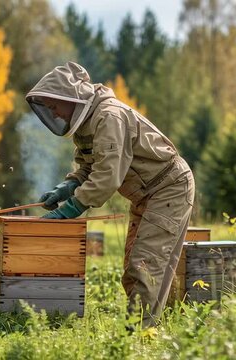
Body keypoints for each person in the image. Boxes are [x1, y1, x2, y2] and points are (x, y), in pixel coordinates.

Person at [26, 61, 195, 328]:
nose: (54, 113)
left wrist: (73, 206)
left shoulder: (108, 117)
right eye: (48, 108)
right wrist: (68, 186)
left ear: (69, 98)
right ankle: (146, 329)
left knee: (145, 264)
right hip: (146, 194)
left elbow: (107, 175)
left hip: (168, 188)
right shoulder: (86, 124)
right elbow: (88, 166)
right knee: (133, 266)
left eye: (54, 105)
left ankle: (139, 335)